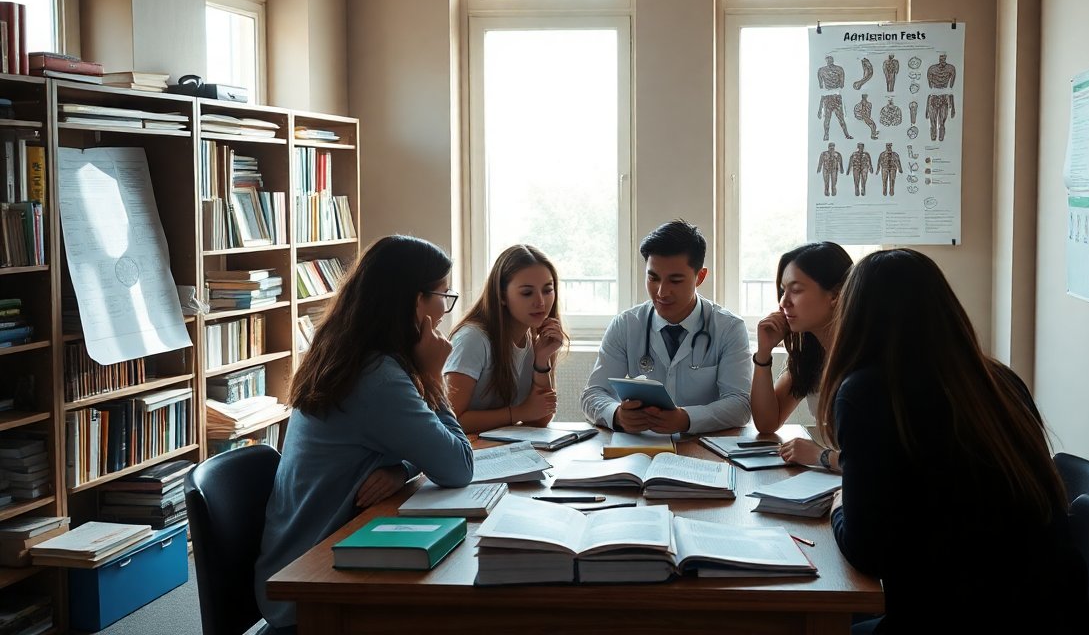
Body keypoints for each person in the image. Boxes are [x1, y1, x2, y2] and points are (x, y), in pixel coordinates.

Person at [817, 249, 1085, 633]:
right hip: (1048, 608)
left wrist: (839, 506)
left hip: (954, 614)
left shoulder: (866, 392)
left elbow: (867, 551)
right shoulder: (998, 379)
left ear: (855, 317)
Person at [254, 236, 475, 631]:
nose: (446, 308)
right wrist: (433, 376)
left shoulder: (350, 352)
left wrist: (400, 468)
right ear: (414, 301)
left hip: (307, 557)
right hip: (313, 586)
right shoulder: (378, 377)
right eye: (443, 294)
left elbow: (401, 443)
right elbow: (458, 466)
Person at [581, 220, 750, 434]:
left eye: (675, 280)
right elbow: (593, 394)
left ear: (700, 277)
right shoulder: (626, 325)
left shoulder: (729, 328)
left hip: (703, 447)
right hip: (641, 449)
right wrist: (616, 414)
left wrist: (686, 419)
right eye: (653, 278)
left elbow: (740, 405)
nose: (661, 292)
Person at [751, 242, 852, 470]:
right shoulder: (811, 353)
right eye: (782, 291)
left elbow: (879, 460)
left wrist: (820, 455)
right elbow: (767, 423)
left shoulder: (862, 357)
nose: (783, 302)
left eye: (795, 290)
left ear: (835, 295)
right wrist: (764, 352)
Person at [446, 244, 566, 433]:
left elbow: (540, 418)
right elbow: (449, 421)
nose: (541, 302)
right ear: (501, 296)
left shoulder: (536, 337)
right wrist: (517, 413)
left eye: (547, 290)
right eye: (527, 293)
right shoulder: (473, 339)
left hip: (498, 451)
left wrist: (542, 361)